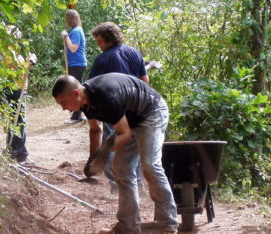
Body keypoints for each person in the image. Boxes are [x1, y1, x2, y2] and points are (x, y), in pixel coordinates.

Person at [52, 73, 178, 234]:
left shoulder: (104, 96)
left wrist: (103, 156)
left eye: (63, 103)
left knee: (150, 165)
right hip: (130, 120)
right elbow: (96, 129)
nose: (63, 108)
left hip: (151, 112)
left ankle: (167, 225)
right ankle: (128, 227)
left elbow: (124, 134)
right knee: (121, 168)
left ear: (76, 93)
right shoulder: (85, 102)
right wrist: (93, 160)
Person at [88, 22, 149, 194]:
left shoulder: (103, 59)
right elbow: (145, 81)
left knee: (112, 145)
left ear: (108, 40)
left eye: (99, 41)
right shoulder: (134, 52)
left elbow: (92, 87)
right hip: (136, 107)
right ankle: (138, 186)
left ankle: (117, 187)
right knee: (133, 146)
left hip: (114, 109)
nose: (98, 44)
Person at [60, 9, 87, 124]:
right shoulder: (76, 30)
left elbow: (73, 48)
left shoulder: (76, 31)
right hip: (76, 64)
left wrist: (66, 36)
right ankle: (79, 114)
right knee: (77, 89)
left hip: (77, 64)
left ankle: (77, 116)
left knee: (75, 90)